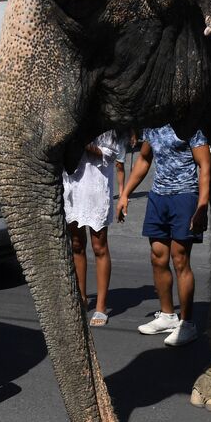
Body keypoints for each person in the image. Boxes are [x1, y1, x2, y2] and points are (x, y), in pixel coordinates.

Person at [116, 125, 210, 347]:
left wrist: (202, 206)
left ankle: (187, 324)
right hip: (158, 197)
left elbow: (204, 164)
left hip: (185, 196)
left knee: (180, 259)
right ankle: (168, 316)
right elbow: (144, 159)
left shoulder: (190, 125)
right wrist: (125, 194)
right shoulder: (153, 126)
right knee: (158, 256)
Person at [64, 131, 126, 326]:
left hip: (96, 186)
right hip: (73, 183)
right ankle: (81, 298)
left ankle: (101, 305)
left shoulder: (108, 128)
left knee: (99, 245)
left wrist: (81, 141)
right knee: (76, 244)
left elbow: (109, 153)